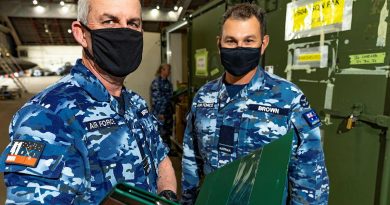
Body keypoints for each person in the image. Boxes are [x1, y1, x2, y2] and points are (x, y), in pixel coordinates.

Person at [0, 0, 177, 204]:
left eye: (133, 23)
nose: (123, 32)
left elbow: (161, 159)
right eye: (110, 21)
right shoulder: (45, 116)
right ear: (81, 33)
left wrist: (167, 196)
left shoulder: (136, 104)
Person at [181, 3, 329, 205]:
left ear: (264, 43)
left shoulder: (289, 98)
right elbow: (191, 161)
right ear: (219, 43)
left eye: (249, 40)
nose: (239, 48)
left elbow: (310, 175)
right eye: (231, 41)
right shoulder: (204, 96)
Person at [151, 64, 174, 154]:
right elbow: (156, 100)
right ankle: (160, 152)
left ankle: (167, 150)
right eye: (168, 70)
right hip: (160, 113)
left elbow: (170, 98)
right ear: (162, 70)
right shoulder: (156, 83)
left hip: (168, 112)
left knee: (167, 132)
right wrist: (160, 113)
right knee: (161, 132)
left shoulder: (168, 83)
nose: (169, 72)